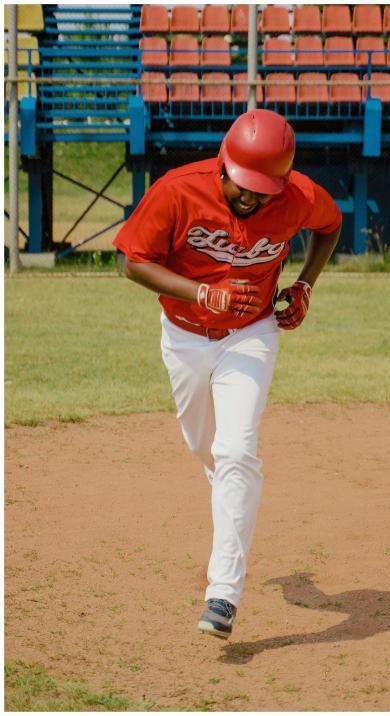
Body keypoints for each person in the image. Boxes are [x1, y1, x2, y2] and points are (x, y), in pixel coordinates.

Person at [113, 109, 342, 640]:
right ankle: (227, 508)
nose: (250, 199)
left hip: (251, 334)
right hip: (186, 335)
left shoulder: (299, 196)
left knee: (237, 451)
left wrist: (305, 284)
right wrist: (200, 291)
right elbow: (130, 261)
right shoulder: (178, 190)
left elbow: (329, 227)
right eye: (241, 186)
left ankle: (223, 593)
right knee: (207, 450)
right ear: (223, 164)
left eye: (262, 191)